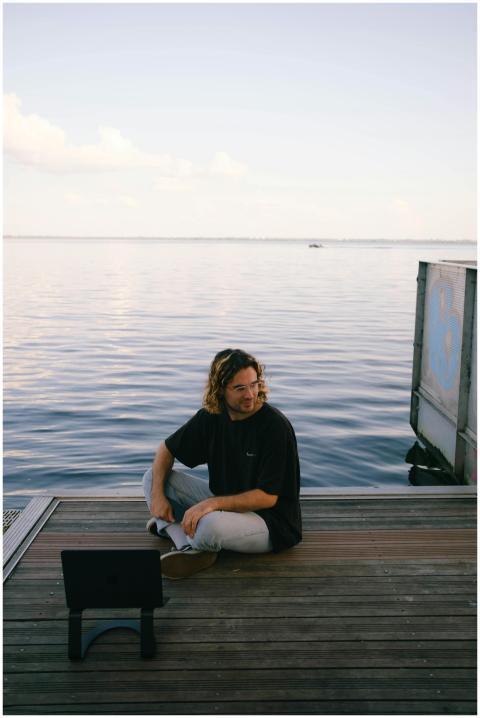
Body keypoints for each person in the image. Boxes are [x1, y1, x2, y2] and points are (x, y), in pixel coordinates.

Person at [143, 348, 302, 579]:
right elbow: (166, 450)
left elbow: (267, 497)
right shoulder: (211, 417)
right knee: (152, 478)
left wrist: (210, 504)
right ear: (220, 390)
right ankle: (189, 546)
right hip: (223, 504)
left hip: (270, 522)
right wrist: (158, 496)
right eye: (240, 388)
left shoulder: (275, 427)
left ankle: (174, 528)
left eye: (254, 384)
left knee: (208, 525)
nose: (250, 394)